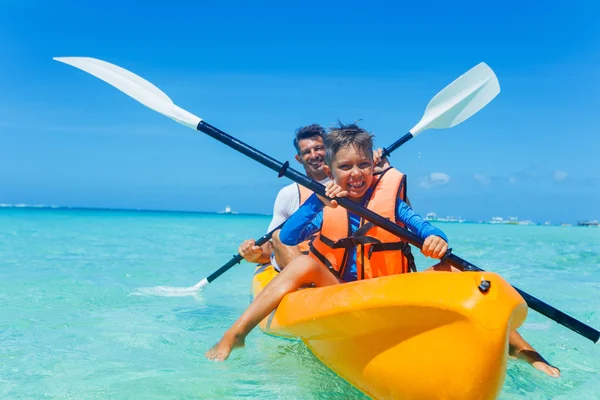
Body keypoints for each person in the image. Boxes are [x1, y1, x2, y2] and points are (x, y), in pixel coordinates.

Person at [237, 124, 330, 271]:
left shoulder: (351, 185)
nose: (313, 155)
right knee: (280, 235)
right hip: (299, 267)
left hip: (336, 266)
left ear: (330, 150)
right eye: (306, 152)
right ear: (299, 158)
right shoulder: (289, 194)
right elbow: (273, 247)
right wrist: (254, 255)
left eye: (319, 148)